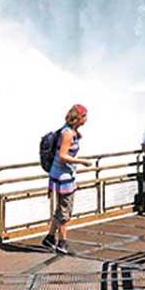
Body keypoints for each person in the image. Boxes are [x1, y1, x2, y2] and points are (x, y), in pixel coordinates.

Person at [42, 104, 92, 255]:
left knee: (61, 208)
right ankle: (62, 243)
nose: (87, 119)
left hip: (60, 175)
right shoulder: (67, 133)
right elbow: (63, 156)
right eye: (85, 116)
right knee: (65, 210)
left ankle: (50, 238)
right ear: (79, 118)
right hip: (63, 177)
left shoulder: (70, 131)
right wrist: (82, 161)